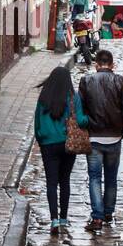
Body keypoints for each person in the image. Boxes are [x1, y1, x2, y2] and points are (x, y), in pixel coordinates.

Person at [79, 48, 123, 232]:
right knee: (111, 177)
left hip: (94, 138)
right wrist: (122, 130)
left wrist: (87, 127)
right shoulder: (121, 82)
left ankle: (97, 217)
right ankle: (108, 212)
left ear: (96, 65)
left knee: (95, 178)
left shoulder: (86, 81)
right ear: (112, 65)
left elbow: (81, 109)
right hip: (114, 138)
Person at [34, 66, 89, 236]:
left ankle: (54, 219)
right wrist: (89, 119)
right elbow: (80, 120)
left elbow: (37, 124)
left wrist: (41, 138)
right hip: (67, 144)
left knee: (51, 182)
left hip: (48, 145)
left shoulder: (43, 97)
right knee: (64, 180)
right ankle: (64, 218)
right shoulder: (73, 98)